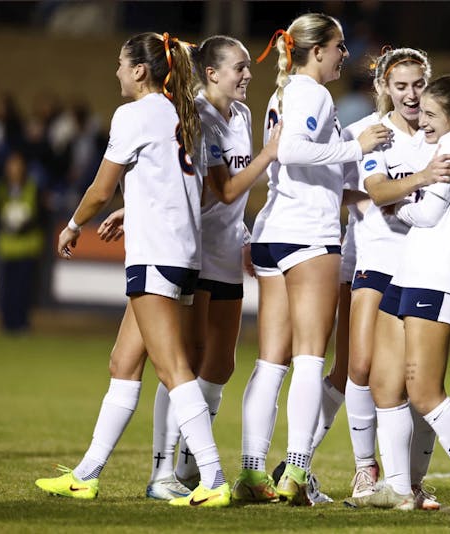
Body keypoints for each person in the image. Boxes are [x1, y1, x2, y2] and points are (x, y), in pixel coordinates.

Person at [34, 32, 231, 507]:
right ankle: (87, 473)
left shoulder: (133, 114)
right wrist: (135, 210)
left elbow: (102, 188)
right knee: (123, 364)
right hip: (182, 255)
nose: (117, 72)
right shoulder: (185, 113)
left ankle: (214, 477)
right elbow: (184, 188)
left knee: (174, 370)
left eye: (122, 64)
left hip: (156, 258)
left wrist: (74, 223)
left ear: (141, 70)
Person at [234, 13, 391, 506]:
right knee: (307, 358)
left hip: (274, 232)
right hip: (306, 237)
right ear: (318, 50)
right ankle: (296, 472)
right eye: (340, 46)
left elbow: (301, 164)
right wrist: (354, 145)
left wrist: (357, 193)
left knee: (271, 361)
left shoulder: (285, 94)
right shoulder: (312, 92)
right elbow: (293, 152)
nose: (345, 54)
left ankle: (253, 472)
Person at [347, 75, 450, 514]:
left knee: (423, 392)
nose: (424, 121)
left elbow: (430, 213)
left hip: (437, 276)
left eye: (432, 114)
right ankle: (398, 488)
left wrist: (399, 205)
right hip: (411, 272)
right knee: (384, 382)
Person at [140, 34, 281, 501]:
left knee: (220, 365)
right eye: (239, 67)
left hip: (227, 250)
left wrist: (245, 235)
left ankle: (184, 465)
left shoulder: (240, 116)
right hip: (194, 252)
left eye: (248, 67)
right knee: (187, 360)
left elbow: (233, 197)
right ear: (212, 73)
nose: (247, 74)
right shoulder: (197, 117)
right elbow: (220, 190)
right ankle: (164, 464)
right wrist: (270, 152)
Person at [0, 149, 46, 333]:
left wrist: (24, 225)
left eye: (17, 164)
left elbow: (40, 215)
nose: (14, 169)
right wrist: (6, 223)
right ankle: (8, 324)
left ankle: (22, 324)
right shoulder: (1, 188)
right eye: (11, 165)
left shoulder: (32, 187)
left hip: (28, 247)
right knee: (7, 289)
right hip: (8, 247)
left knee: (23, 289)